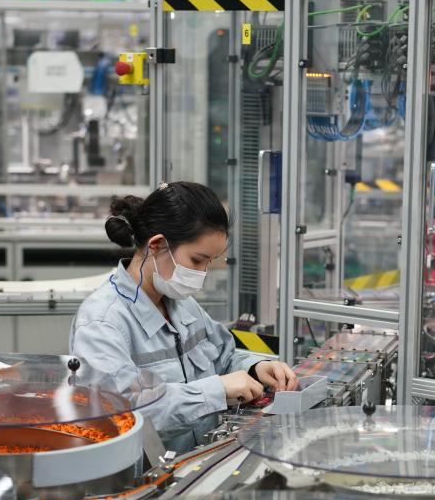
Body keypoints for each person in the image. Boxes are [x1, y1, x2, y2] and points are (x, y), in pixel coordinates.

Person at [70, 181, 298, 453]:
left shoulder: (182, 304)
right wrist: (215, 391)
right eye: (197, 260)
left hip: (201, 459)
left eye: (209, 262)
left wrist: (255, 367)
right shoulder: (103, 323)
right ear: (156, 245)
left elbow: (223, 357)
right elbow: (120, 415)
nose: (202, 273)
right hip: (150, 474)